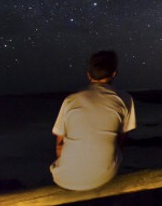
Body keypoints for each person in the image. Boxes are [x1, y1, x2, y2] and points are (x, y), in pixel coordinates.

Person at [49, 50, 137, 190]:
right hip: (105, 176)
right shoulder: (125, 99)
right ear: (114, 73)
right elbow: (121, 140)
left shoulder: (70, 100)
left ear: (88, 75)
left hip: (63, 178)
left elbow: (59, 145)